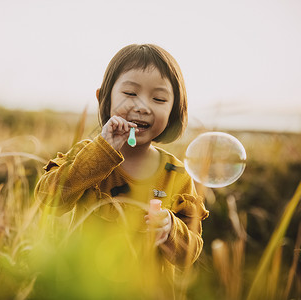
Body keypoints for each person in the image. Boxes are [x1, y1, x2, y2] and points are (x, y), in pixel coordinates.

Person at [34, 44, 209, 298]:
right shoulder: (88, 154)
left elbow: (188, 255)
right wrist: (102, 151)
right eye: (130, 93)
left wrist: (171, 228)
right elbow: (48, 199)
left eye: (159, 99)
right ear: (103, 98)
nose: (143, 106)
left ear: (174, 109)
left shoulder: (177, 174)